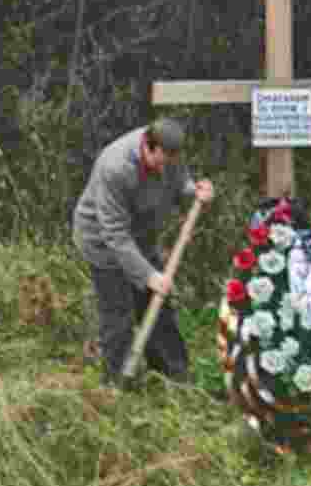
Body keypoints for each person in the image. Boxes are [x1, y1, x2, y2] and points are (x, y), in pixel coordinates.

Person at [72, 118, 214, 386]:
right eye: (160, 163)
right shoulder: (115, 167)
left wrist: (194, 191)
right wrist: (149, 275)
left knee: (157, 305)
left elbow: (179, 179)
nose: (165, 169)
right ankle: (116, 384)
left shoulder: (168, 150)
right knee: (118, 313)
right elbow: (115, 234)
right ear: (147, 147)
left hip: (140, 237)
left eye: (169, 163)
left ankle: (174, 376)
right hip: (103, 242)